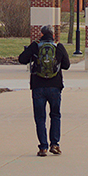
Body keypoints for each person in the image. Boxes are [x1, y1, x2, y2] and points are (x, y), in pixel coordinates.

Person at [18, 25, 71, 157]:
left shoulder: (35, 46)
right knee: (55, 115)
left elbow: (21, 59)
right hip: (55, 87)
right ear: (53, 35)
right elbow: (67, 65)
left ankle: (43, 147)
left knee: (40, 117)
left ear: (41, 34)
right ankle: (55, 144)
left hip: (38, 86)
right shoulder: (58, 46)